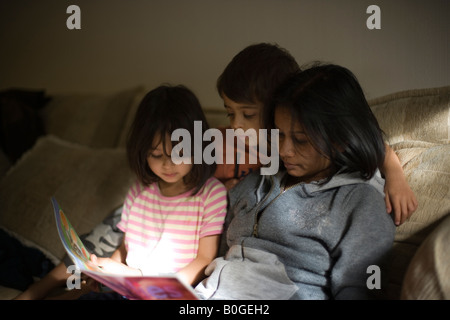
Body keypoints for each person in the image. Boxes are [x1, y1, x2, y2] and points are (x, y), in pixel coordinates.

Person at [195, 63, 397, 300]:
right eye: (279, 134)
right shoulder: (256, 180)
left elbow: (359, 290)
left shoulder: (359, 202)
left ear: (340, 139)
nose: (285, 150)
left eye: (300, 140)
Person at [14, 85, 227, 299]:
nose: (168, 165)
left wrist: (154, 286)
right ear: (142, 153)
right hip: (127, 287)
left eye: (179, 154)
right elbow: (126, 247)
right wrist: (108, 269)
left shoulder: (210, 194)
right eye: (156, 155)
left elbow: (204, 259)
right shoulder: (140, 190)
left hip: (164, 292)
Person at [215, 43, 417, 226]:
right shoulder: (224, 142)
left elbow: (376, 147)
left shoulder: (309, 148)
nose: (236, 125)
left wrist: (396, 178)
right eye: (230, 113)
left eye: (248, 114)